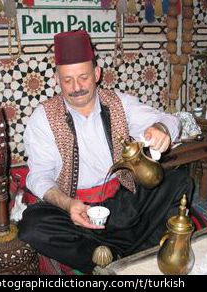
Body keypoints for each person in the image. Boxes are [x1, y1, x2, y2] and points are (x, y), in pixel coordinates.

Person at [18, 30, 193, 274]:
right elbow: (38, 176)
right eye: (67, 80)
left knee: (178, 181)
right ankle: (117, 257)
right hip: (75, 210)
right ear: (57, 79)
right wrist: (68, 204)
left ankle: (120, 250)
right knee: (32, 227)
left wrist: (161, 129)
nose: (76, 87)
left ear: (97, 74)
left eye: (83, 77)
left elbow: (169, 120)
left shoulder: (118, 103)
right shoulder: (43, 118)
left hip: (122, 200)